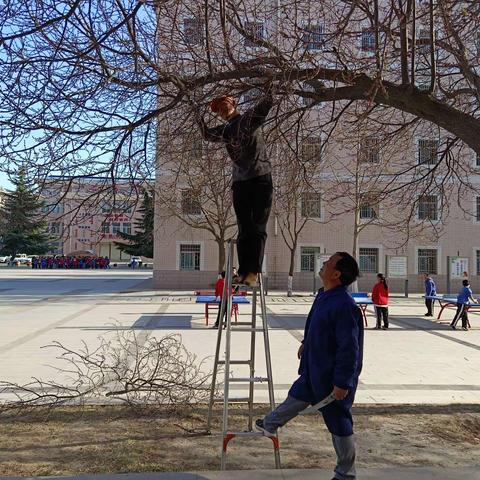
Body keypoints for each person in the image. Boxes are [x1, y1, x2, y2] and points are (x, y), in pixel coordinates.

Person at [255, 252, 364, 480]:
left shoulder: (344, 305)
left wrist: (342, 383)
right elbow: (315, 323)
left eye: (328, 263)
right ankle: (269, 423)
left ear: (336, 274)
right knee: (296, 395)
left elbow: (349, 348)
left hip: (331, 377)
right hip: (313, 367)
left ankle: (346, 473)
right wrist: (306, 343)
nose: (323, 264)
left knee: (339, 424)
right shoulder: (324, 295)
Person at [197, 86, 274, 287]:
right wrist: (195, 109)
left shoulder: (248, 119)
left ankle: (253, 272)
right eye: (218, 110)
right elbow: (206, 134)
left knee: (257, 225)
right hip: (240, 182)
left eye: (224, 106)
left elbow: (266, 105)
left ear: (233, 104)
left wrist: (270, 84)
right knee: (244, 227)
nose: (222, 111)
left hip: (260, 178)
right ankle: (242, 271)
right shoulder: (225, 130)